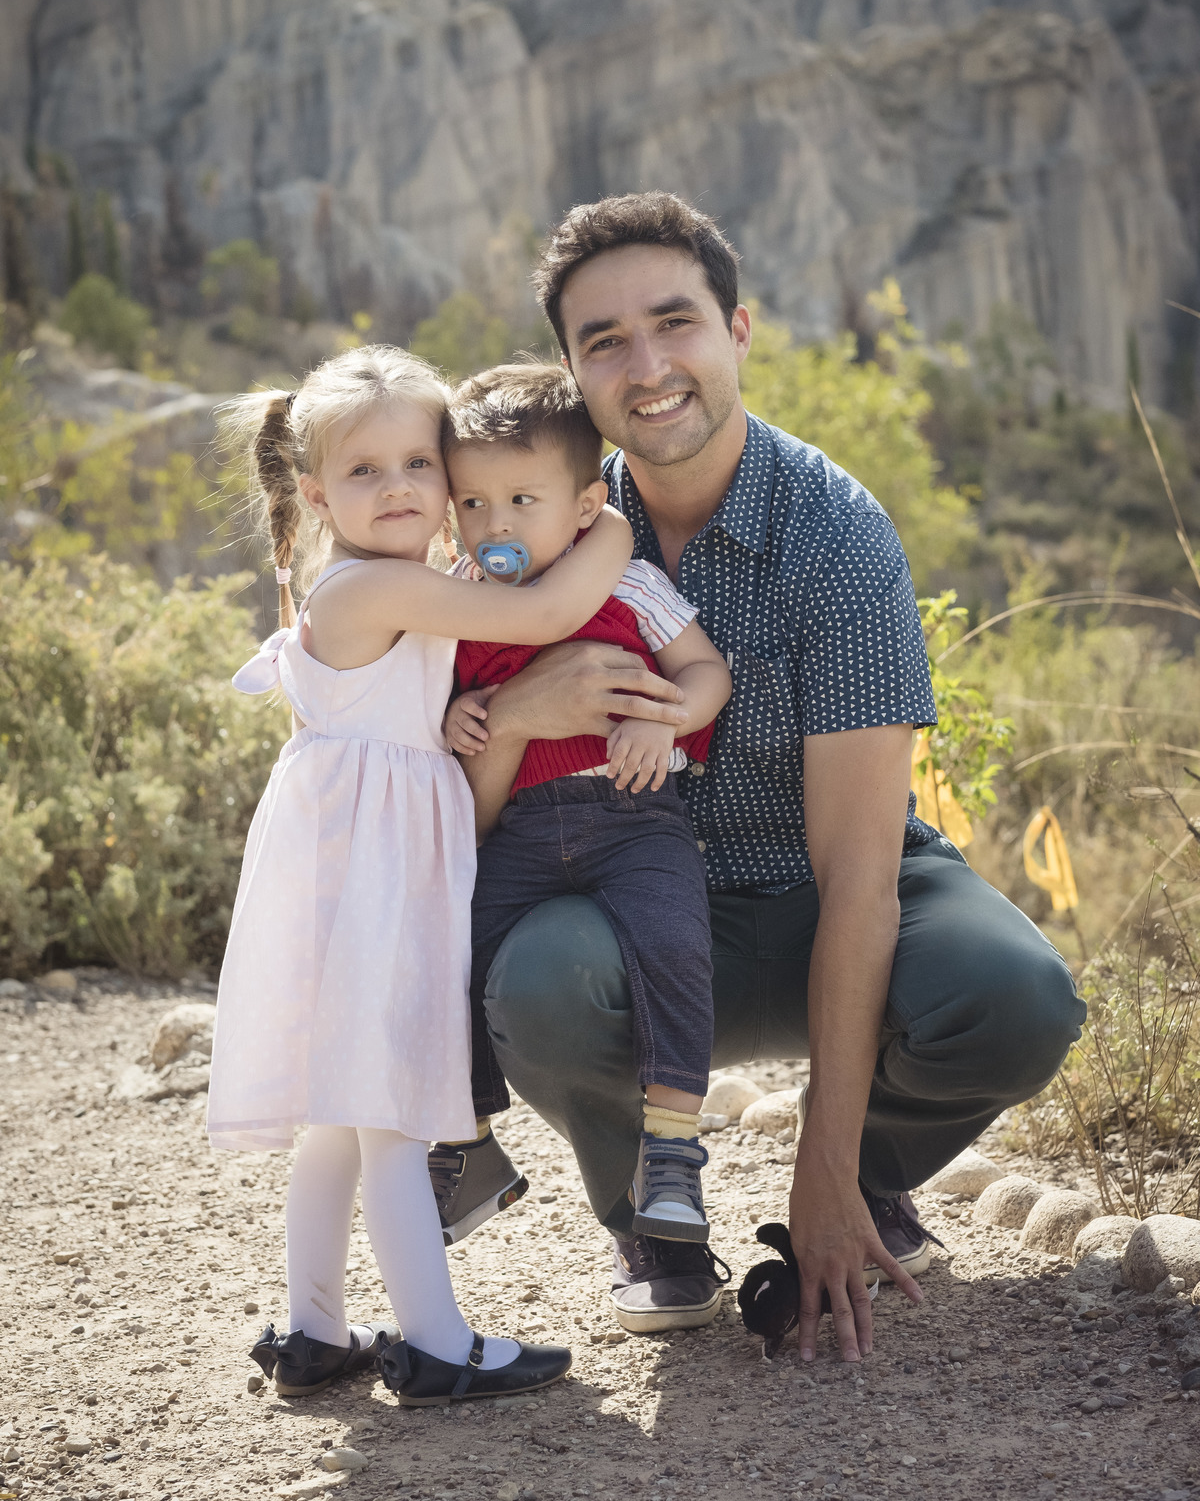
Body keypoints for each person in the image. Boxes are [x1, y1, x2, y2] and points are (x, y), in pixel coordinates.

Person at [428, 194, 1087, 1362]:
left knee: (1014, 993)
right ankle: (653, 1224)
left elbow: (860, 877)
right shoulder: (529, 532)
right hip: (623, 903)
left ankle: (865, 1185)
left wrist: (823, 1161)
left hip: (819, 887)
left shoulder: (836, 535)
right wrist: (522, 713)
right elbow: (464, 823)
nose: (648, 367)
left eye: (674, 322)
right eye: (604, 342)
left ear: (737, 331)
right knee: (536, 983)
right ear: (571, 375)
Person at [205, 344, 633, 1403]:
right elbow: (540, 619)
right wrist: (611, 525)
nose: (399, 486)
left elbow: (413, 693)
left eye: (417, 463)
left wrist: (445, 712)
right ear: (315, 493)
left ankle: (314, 1331)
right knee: (388, 1106)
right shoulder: (366, 585)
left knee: (341, 1116)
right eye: (365, 472)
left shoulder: (397, 585)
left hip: (365, 862)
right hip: (372, 878)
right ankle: (436, 1343)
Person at [428, 364, 732, 1249]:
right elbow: (451, 724)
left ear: (586, 505)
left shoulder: (626, 585)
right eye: (475, 503)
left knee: (675, 943)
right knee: (452, 949)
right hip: (519, 834)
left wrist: (667, 718)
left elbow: (705, 670)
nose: (497, 524)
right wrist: (455, 715)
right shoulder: (458, 603)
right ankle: (470, 1142)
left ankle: (673, 1152)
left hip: (635, 817)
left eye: (523, 499)